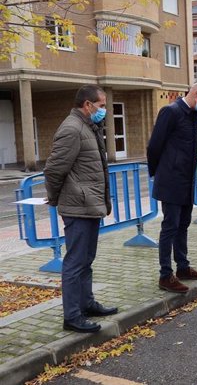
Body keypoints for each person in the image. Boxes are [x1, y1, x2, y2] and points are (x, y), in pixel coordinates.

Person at [44, 85, 118, 333]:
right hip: (77, 206)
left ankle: (87, 304)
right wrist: (55, 199)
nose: (104, 110)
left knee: (87, 259)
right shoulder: (72, 129)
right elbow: (54, 169)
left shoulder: (87, 126)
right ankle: (72, 316)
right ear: (87, 105)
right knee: (75, 262)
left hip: (89, 205)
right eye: (102, 105)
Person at [147, 82, 197, 293]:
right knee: (170, 226)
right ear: (196, 94)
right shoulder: (171, 112)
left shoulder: (194, 115)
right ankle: (166, 275)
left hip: (186, 181)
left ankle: (183, 267)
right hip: (171, 180)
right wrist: (160, 173)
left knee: (183, 224)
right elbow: (154, 146)